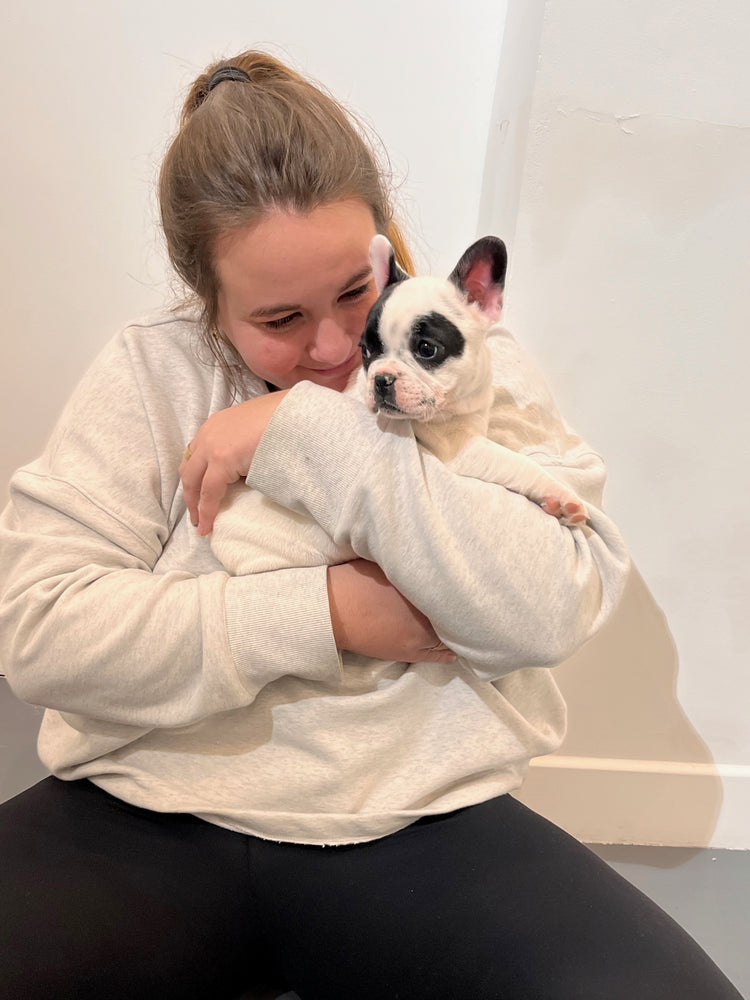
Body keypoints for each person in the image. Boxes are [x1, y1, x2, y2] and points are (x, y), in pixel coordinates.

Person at [0, 50, 743, 1000]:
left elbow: (549, 605)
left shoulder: (466, 358)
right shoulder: (154, 373)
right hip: (144, 808)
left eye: (355, 292)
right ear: (208, 307)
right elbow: (41, 632)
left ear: (385, 245)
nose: (338, 348)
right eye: (277, 318)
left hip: (422, 820)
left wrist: (309, 430)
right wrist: (330, 615)